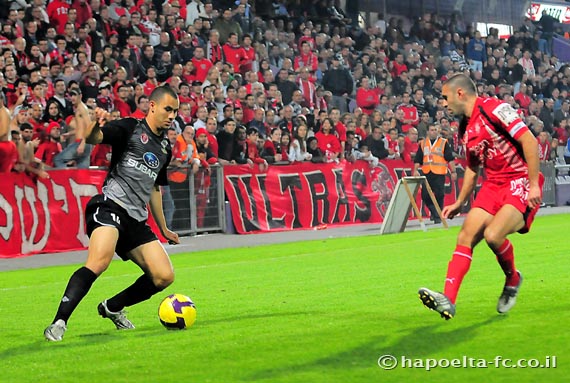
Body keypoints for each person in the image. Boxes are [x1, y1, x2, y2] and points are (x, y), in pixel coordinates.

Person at [44, 86, 181, 341]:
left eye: (176, 111)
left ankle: (113, 307)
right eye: (168, 109)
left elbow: (154, 188)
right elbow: (94, 138)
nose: (172, 116)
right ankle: (59, 322)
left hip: (136, 218)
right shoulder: (130, 128)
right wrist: (96, 124)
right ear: (152, 106)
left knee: (164, 276)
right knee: (99, 262)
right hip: (110, 206)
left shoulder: (164, 147)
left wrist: (163, 229)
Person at [418, 74, 543, 320]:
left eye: (445, 97)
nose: (443, 103)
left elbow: (528, 140)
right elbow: (473, 168)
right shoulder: (465, 126)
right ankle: (448, 300)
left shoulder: (495, 109)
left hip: (518, 180)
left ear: (460, 93)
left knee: (493, 236)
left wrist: (533, 185)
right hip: (493, 185)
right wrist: (460, 202)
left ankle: (513, 278)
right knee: (465, 235)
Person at [413, 123, 457, 223]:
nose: (434, 132)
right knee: (425, 196)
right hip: (427, 172)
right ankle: (435, 213)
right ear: (428, 132)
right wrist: (415, 170)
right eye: (432, 130)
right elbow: (418, 159)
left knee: (439, 195)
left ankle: (437, 217)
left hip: (439, 172)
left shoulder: (443, 142)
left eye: (435, 130)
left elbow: (450, 158)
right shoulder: (423, 143)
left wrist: (453, 171)